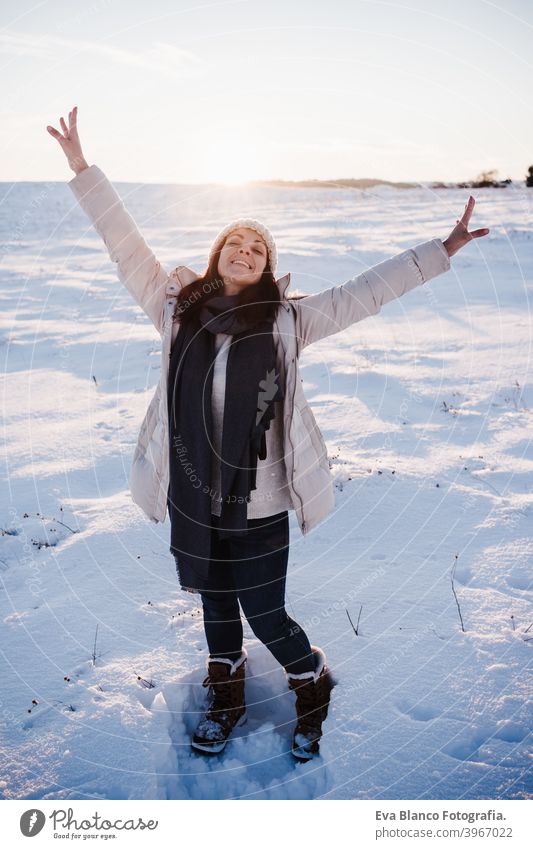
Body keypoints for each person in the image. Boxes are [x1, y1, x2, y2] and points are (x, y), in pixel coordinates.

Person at [47, 107, 489, 761]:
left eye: (258, 248)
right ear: (217, 254)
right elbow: (125, 243)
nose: (246, 251)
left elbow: (365, 292)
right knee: (214, 603)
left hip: (261, 499)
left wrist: (439, 252)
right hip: (194, 494)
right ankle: (224, 687)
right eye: (236, 243)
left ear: (266, 265)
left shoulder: (290, 321)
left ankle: (309, 678)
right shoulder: (173, 310)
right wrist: (82, 168)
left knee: (264, 611)